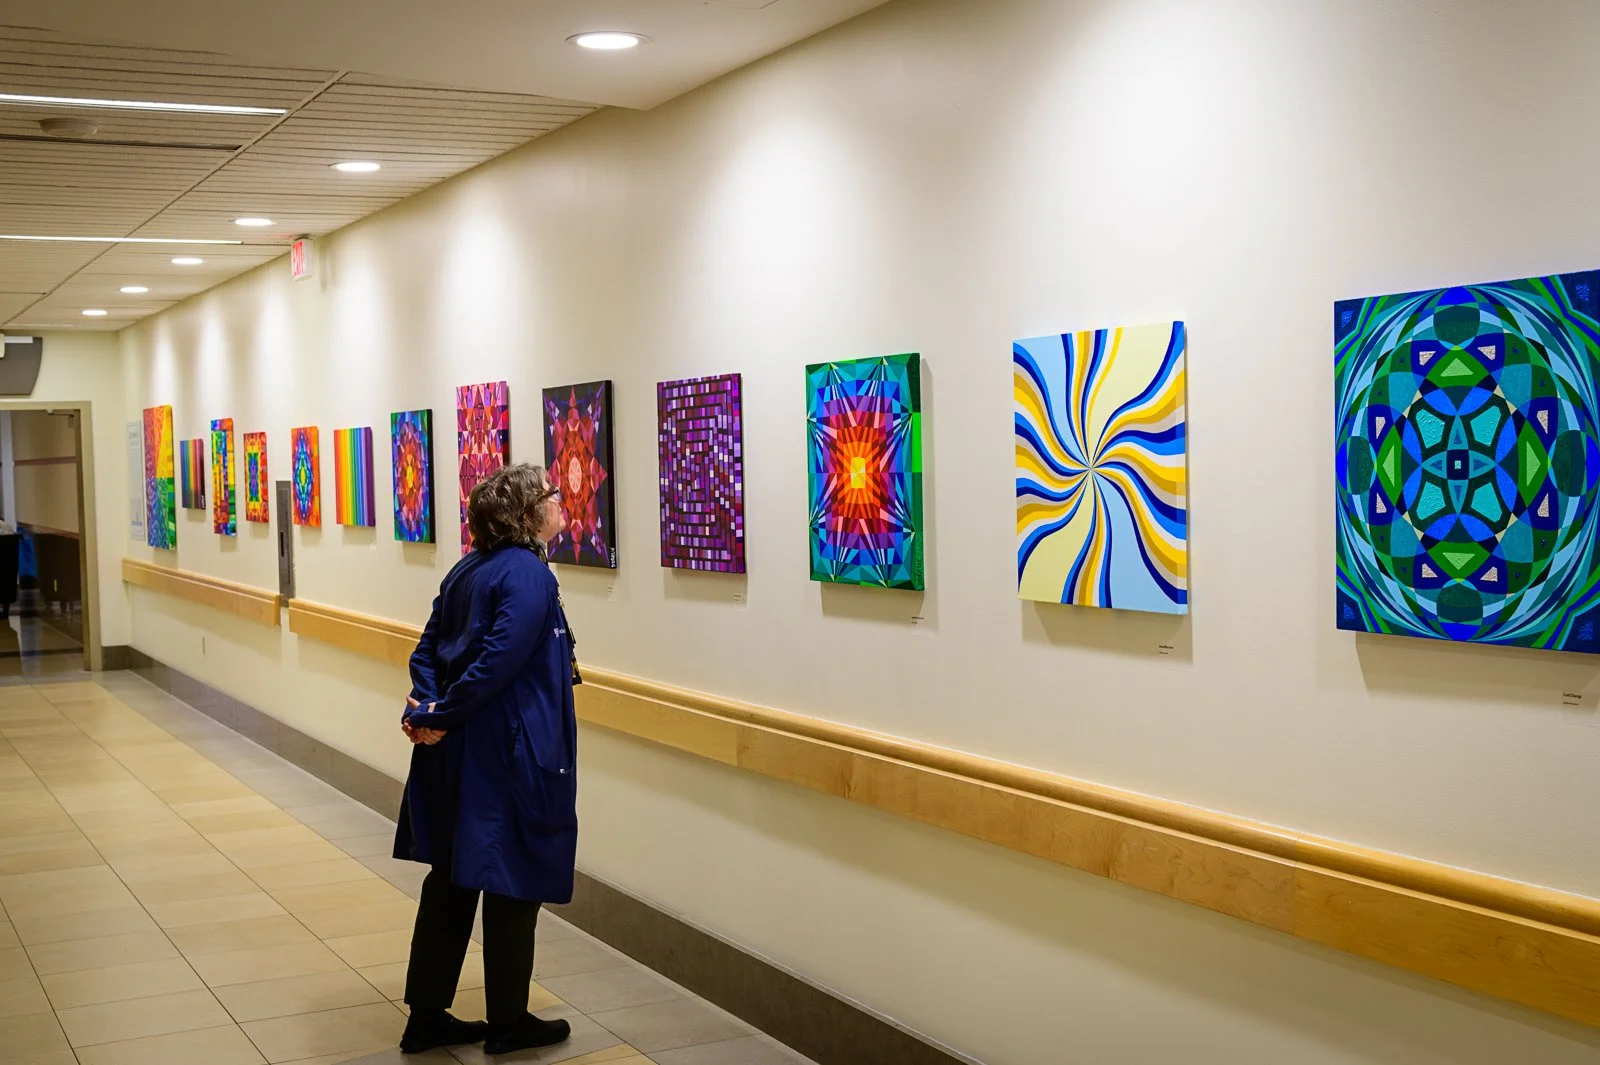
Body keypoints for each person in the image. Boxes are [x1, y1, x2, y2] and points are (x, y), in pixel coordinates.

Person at [394, 463, 581, 1055]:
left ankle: (425, 1016)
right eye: (551, 495)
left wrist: (427, 707)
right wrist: (438, 713)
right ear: (528, 514)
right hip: (505, 755)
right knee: (512, 882)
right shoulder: (527, 575)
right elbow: (497, 665)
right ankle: (509, 1022)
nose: (561, 501)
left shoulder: (467, 569)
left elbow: (426, 650)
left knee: (450, 880)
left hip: (457, 752)